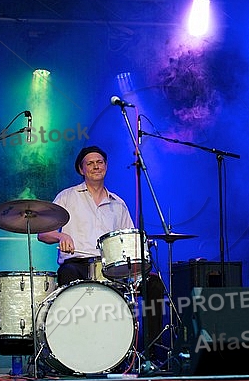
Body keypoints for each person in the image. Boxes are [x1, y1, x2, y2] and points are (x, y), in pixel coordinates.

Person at [38, 145, 165, 364]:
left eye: (100, 162)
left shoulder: (118, 203)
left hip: (111, 268)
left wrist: (137, 262)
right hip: (76, 263)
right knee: (68, 274)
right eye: (90, 163)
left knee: (154, 285)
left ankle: (149, 356)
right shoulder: (67, 197)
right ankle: (71, 353)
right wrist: (60, 238)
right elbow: (43, 233)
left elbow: (132, 241)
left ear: (106, 166)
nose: (96, 166)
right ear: (81, 170)